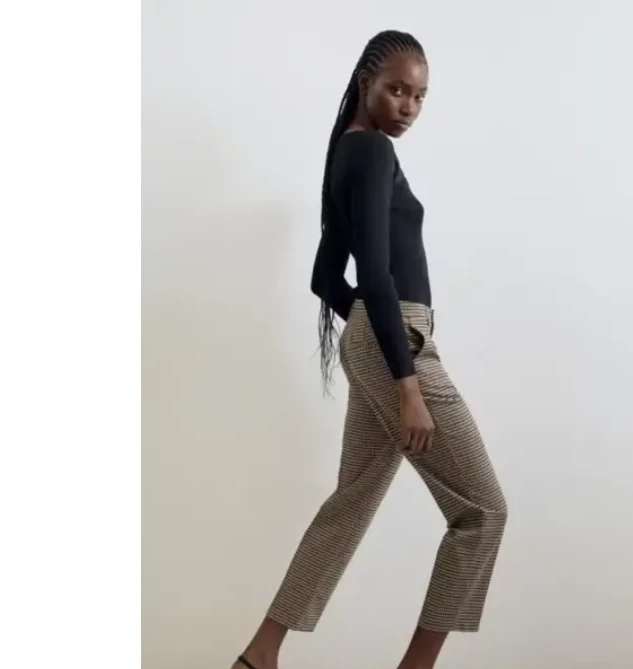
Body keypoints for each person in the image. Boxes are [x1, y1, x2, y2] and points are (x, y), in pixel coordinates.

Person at [233, 30, 508, 669]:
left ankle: (260, 655)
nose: (409, 106)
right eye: (397, 90)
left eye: (420, 96)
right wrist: (405, 379)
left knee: (351, 502)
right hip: (398, 343)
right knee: (484, 511)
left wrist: (363, 332)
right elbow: (376, 276)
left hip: (379, 337)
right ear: (366, 83)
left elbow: (325, 278)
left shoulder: (347, 152)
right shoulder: (374, 152)